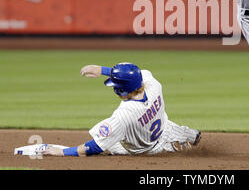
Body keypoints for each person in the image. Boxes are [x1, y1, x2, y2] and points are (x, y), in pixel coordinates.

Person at [43, 62, 201, 157]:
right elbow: (134, 73)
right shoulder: (153, 84)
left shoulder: (124, 115)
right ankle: (188, 135)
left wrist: (61, 152)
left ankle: (178, 142)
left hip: (145, 150)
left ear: (121, 91)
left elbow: (94, 147)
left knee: (108, 146)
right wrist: (102, 70)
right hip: (166, 130)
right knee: (173, 128)